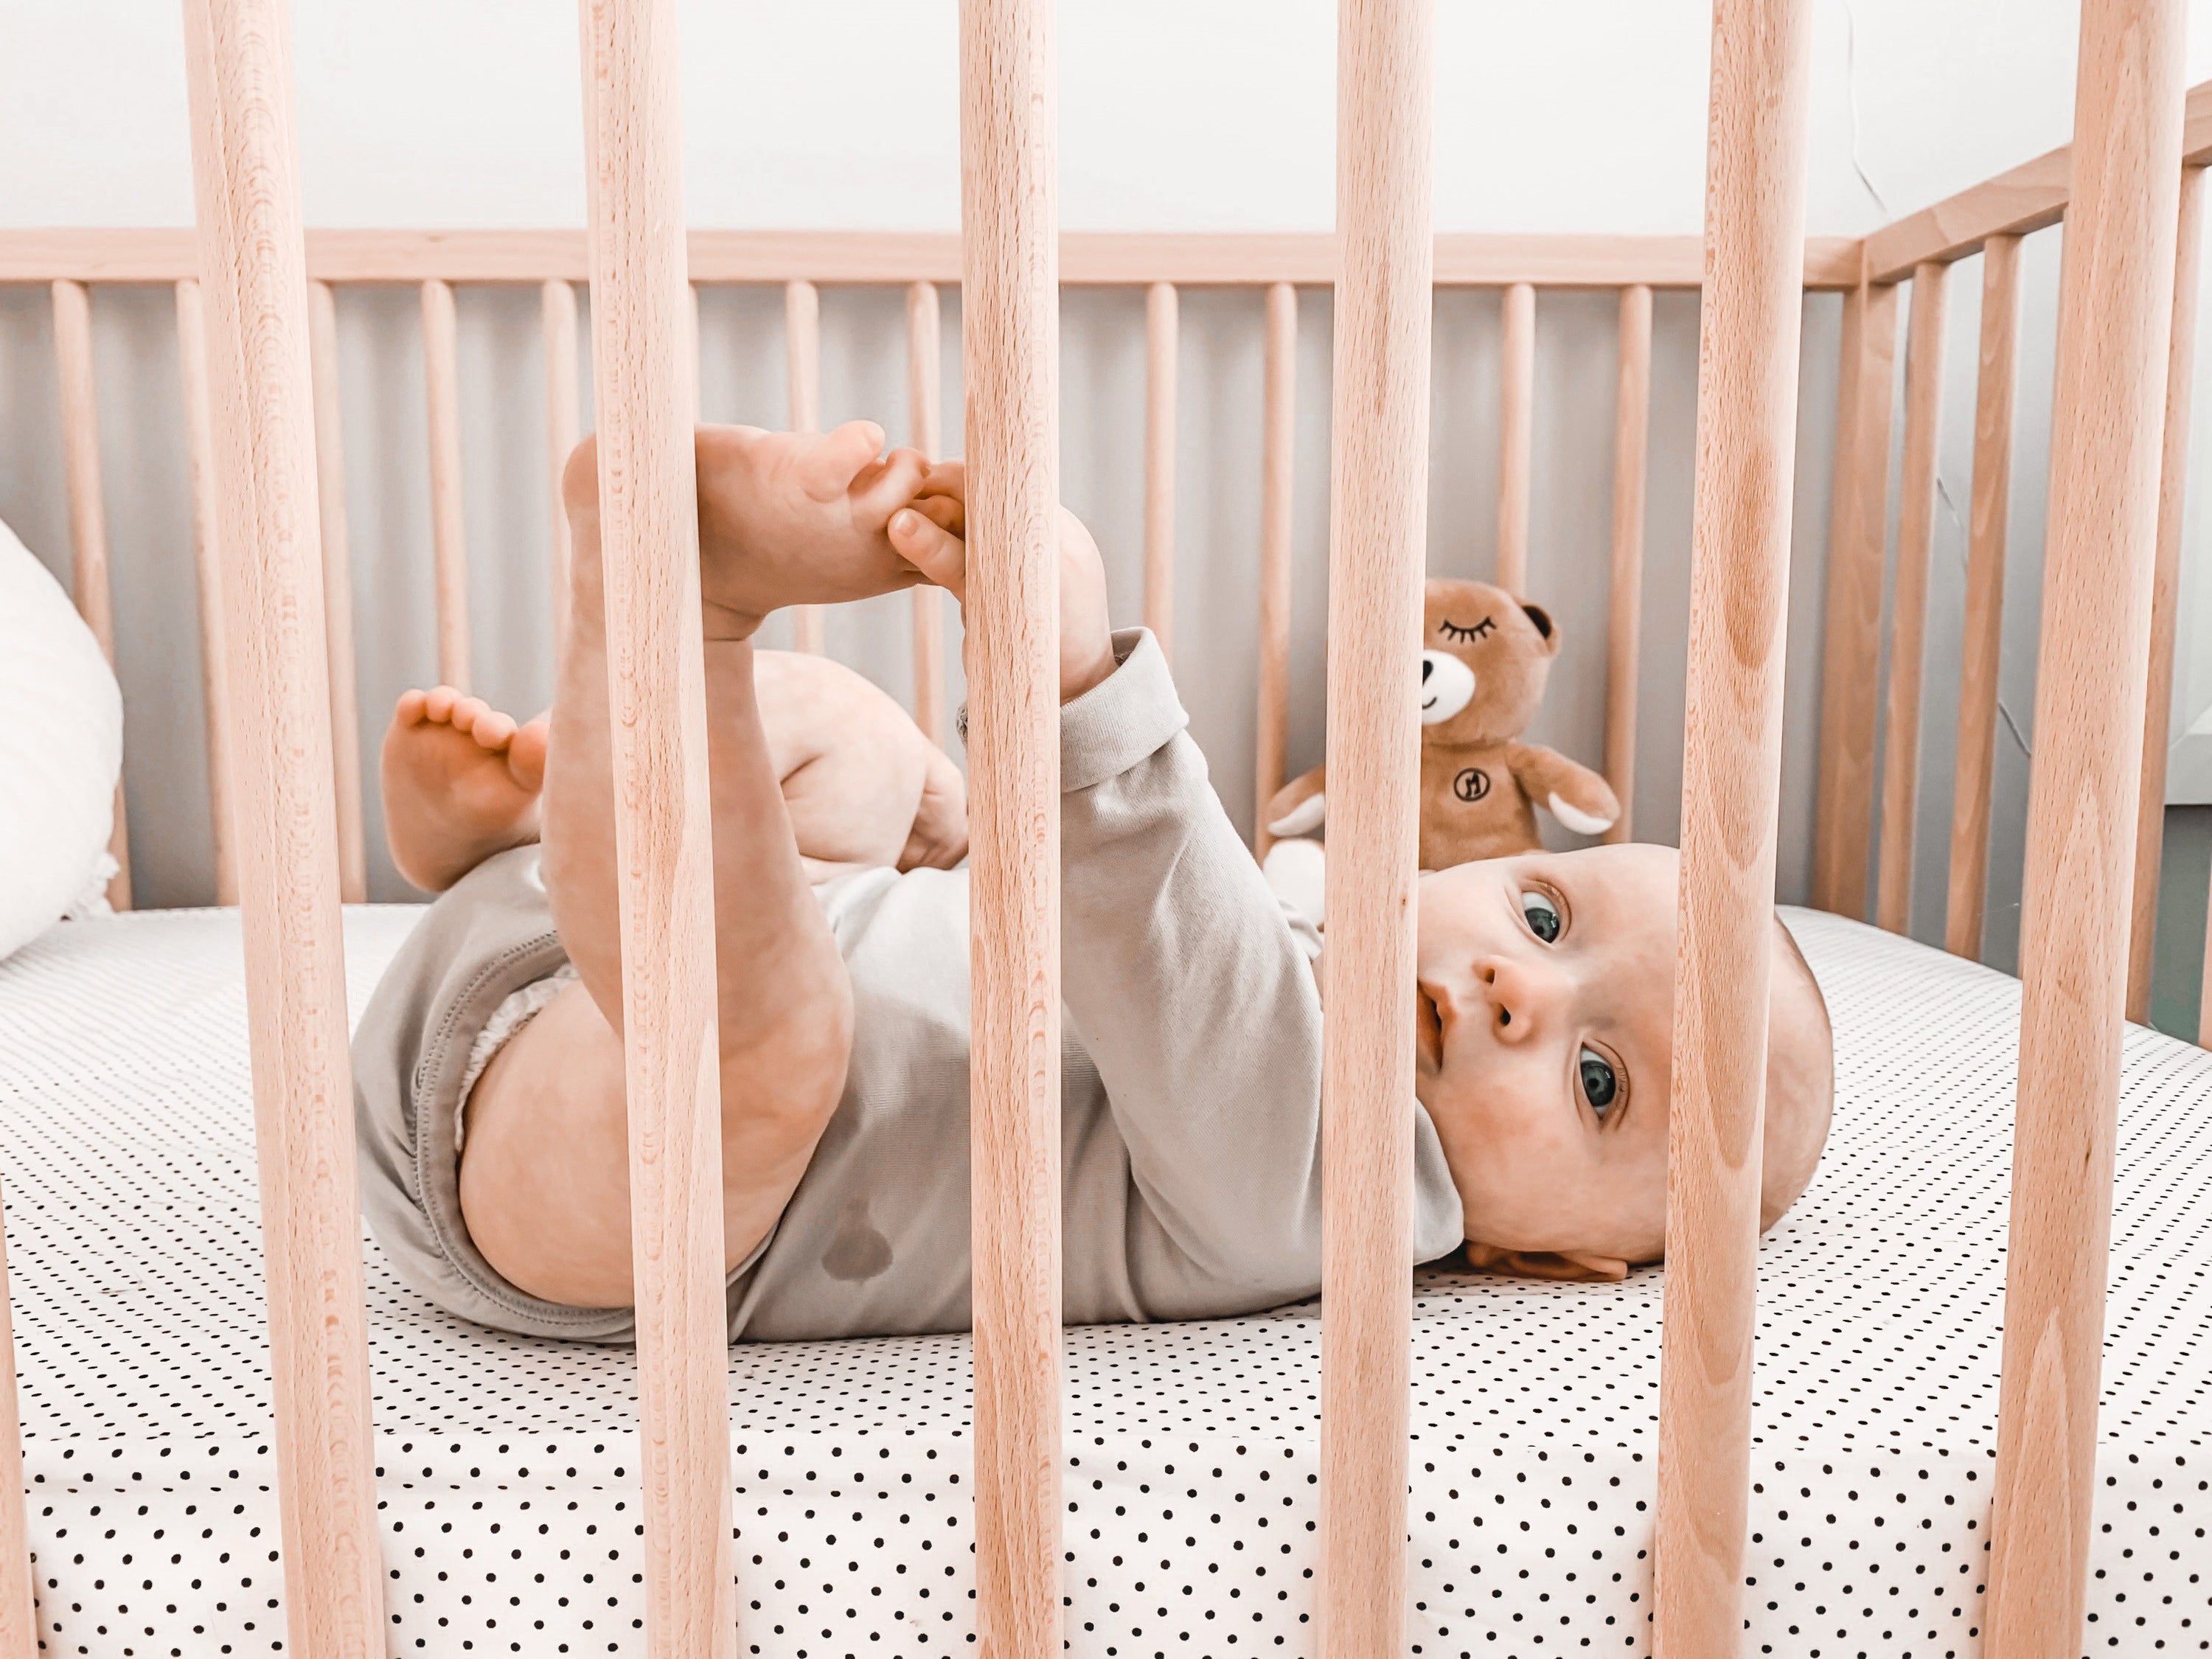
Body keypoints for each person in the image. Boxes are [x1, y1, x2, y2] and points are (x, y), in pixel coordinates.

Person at [352, 421, 1833, 1342]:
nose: (1521, 991)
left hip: (604, 1183)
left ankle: (677, 620)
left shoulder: (1342, 1201)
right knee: (863, 753)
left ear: (1561, 1260)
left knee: (781, 1046)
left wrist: (1072, 684)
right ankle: (509, 847)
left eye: (1595, 1082)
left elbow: (1169, 955)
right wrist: (965, 822)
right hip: (598, 965)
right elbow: (1115, 933)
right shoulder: (1290, 941)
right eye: (1544, 915)